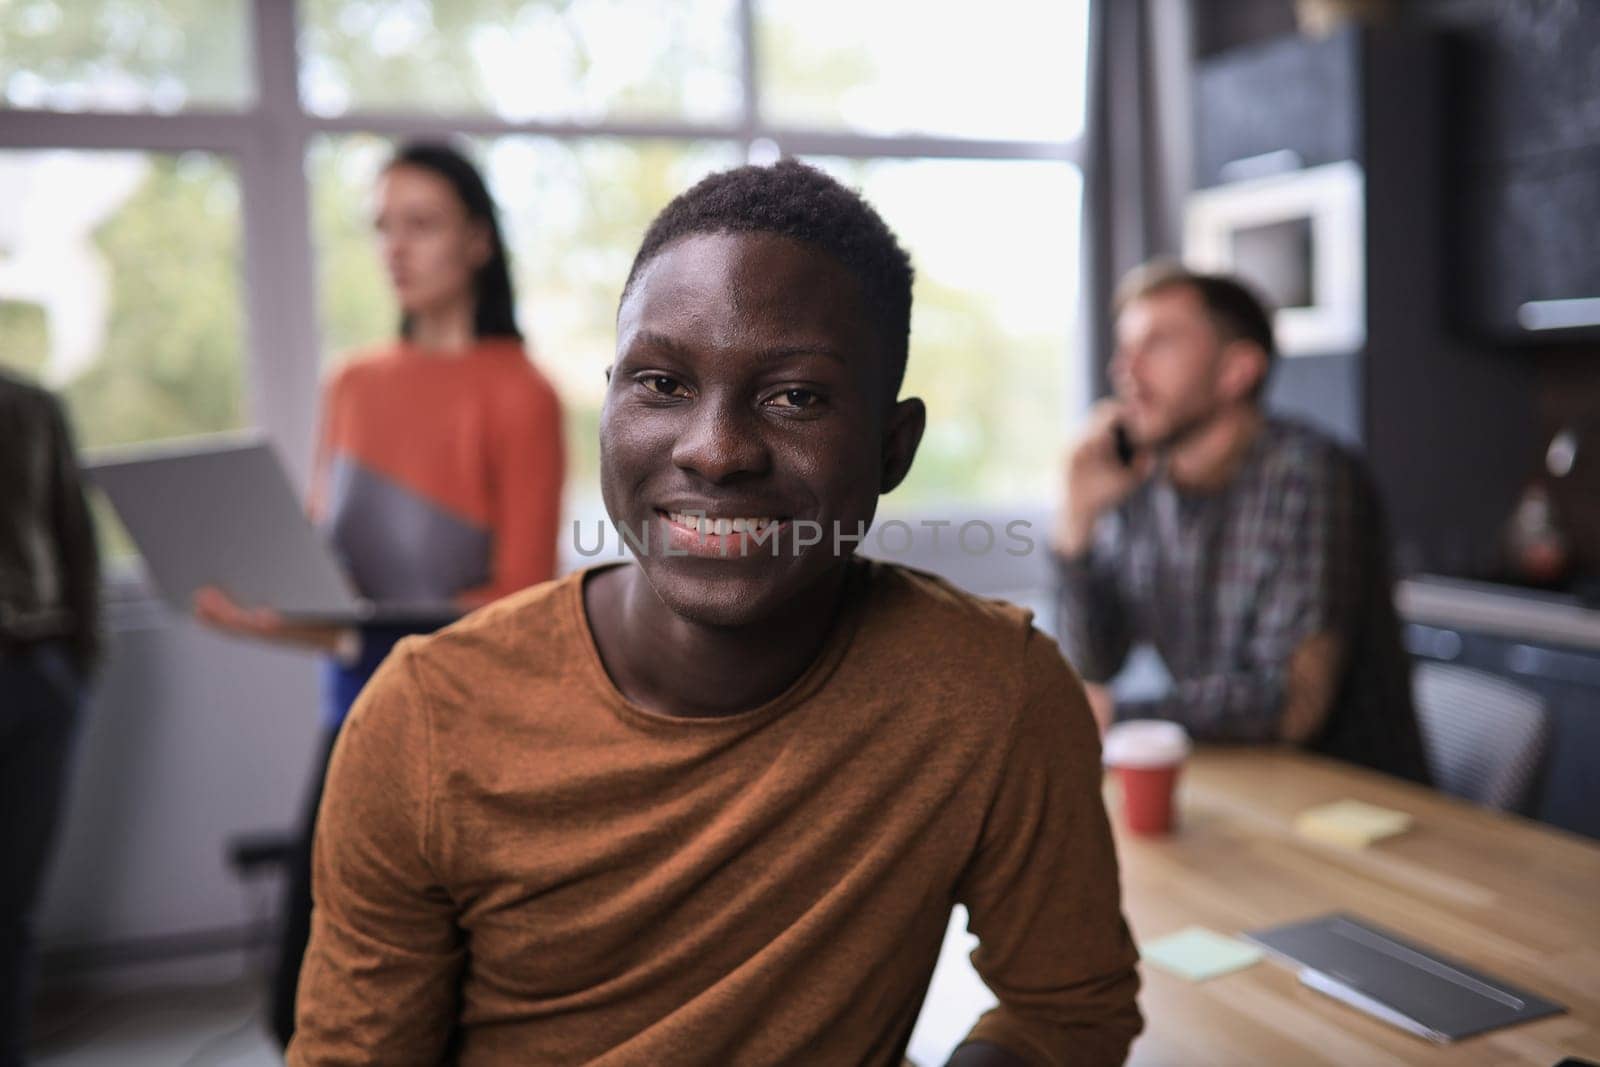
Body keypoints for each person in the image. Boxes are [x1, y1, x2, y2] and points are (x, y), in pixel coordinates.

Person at [287, 160, 1142, 1066]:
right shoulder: (424, 718)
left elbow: (1067, 1009)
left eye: (796, 397)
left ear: (893, 448)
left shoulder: (992, 695)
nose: (717, 451)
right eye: (661, 384)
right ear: (610, 405)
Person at [193, 142, 565, 1048]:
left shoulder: (522, 392)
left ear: (478, 240)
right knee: (304, 1001)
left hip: (479, 734)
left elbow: (519, 601)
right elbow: (343, 615)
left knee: (462, 1007)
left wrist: (357, 624)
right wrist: (265, 618)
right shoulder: (352, 383)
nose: (395, 248)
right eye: (383, 227)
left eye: (422, 224)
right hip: (357, 720)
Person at [1052, 259, 1428, 783]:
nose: (1124, 371)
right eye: (1125, 347)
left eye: (1157, 345)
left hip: (1351, 800)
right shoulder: (1143, 480)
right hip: (1239, 785)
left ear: (1237, 371)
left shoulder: (1309, 475)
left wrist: (1122, 715)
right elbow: (1098, 662)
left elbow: (1293, 706)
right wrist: (1077, 522)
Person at [0, 369, 101, 1067]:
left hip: (34, 669)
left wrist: (76, 670)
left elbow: (78, 541)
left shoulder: (31, 407)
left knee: (12, 909)